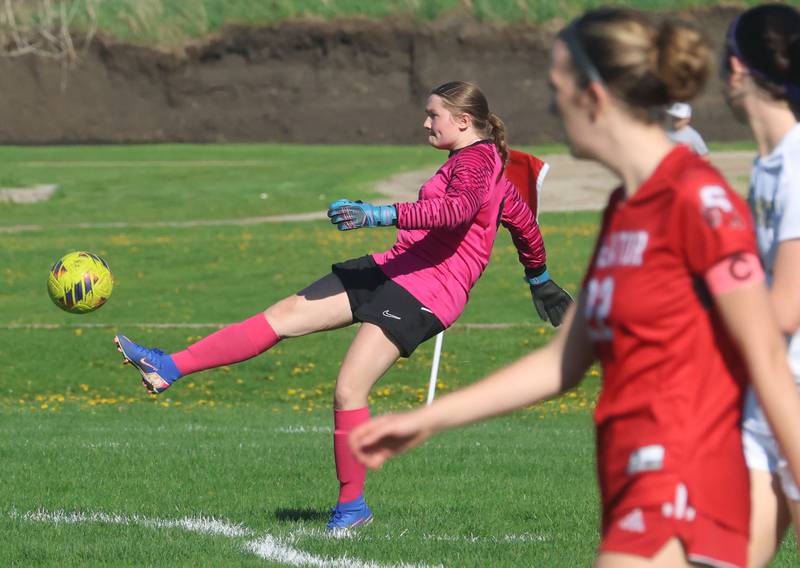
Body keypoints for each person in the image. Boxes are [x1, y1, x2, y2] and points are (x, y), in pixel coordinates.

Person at [349, 8, 800, 567]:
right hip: (632, 479)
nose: (549, 106)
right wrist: (429, 418)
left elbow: (770, 366)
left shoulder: (696, 201)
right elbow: (565, 360)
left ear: (595, 96)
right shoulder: (624, 209)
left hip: (685, 483)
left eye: (556, 88)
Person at [113, 80, 572, 531]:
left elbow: (456, 210)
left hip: (426, 292)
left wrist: (378, 213)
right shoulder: (478, 163)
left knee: (349, 390)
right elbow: (523, 223)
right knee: (283, 317)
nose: (425, 122)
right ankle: (168, 366)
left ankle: (352, 509)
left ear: (464, 120)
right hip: (395, 267)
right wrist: (541, 279)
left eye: (433, 114)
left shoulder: (476, 162)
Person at [720, 4, 800, 566]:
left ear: (737, 68)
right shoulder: (769, 162)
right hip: (769, 388)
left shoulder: (797, 165)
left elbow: (787, 306)